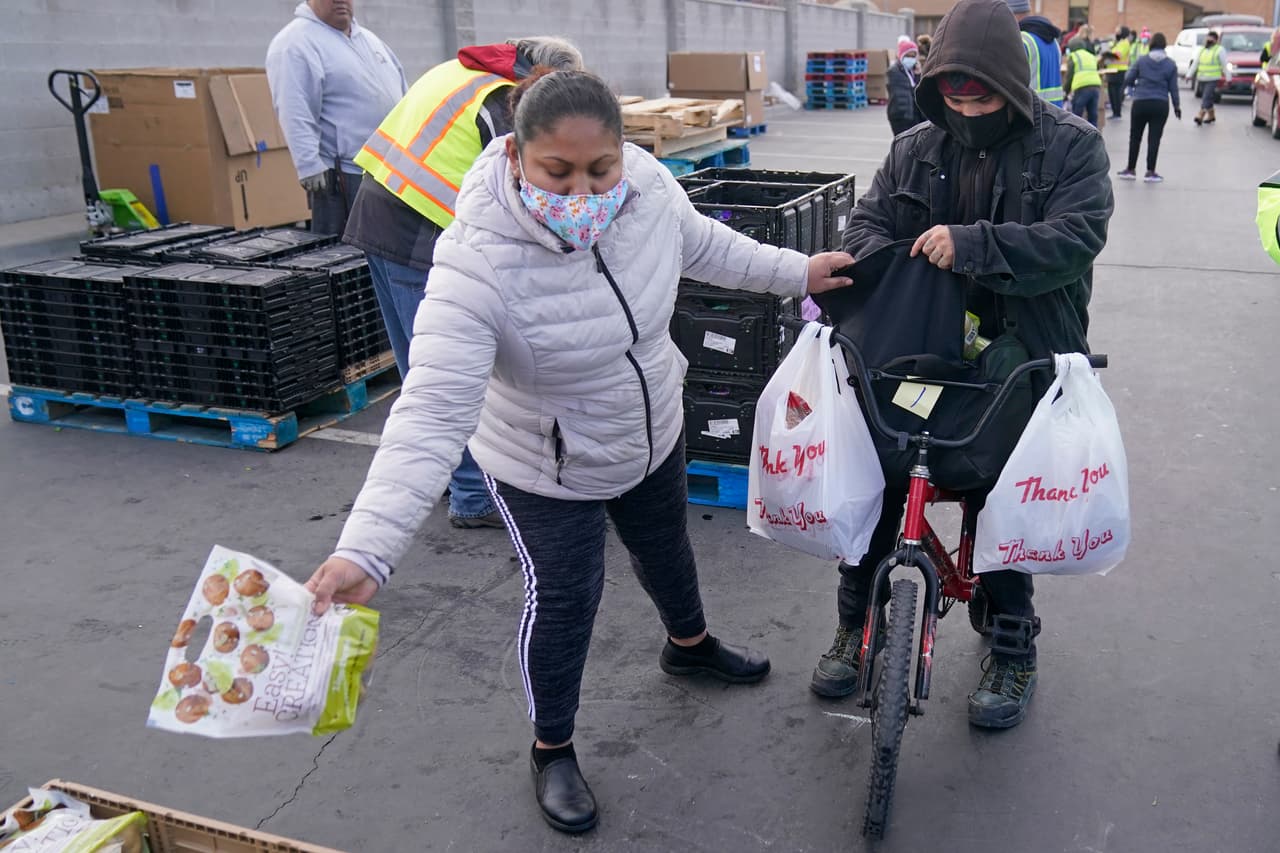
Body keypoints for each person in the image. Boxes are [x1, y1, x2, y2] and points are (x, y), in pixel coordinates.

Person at [303, 69, 856, 834]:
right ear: (516, 157)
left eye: (600, 169)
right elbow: (430, 412)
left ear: (624, 153)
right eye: (556, 172)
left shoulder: (651, 190)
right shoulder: (475, 262)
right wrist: (366, 549)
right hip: (542, 461)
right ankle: (551, 746)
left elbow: (707, 247)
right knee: (567, 597)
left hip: (651, 423)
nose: (581, 190)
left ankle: (688, 645)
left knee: (666, 545)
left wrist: (797, 270)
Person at [817, 0, 1113, 730]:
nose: (967, 105)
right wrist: (869, 264)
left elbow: (1076, 237)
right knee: (886, 471)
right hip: (924, 350)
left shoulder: (1072, 147)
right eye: (953, 92)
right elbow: (867, 222)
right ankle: (857, 622)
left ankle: (1012, 640)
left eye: (981, 93)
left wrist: (973, 244)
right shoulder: (914, 147)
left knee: (1002, 495)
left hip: (1022, 355)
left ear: (1011, 85)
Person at [344, 37, 584, 529]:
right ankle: (473, 495)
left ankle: (443, 477)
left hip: (378, 212)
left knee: (420, 365)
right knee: (453, 370)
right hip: (419, 231)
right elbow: (517, 191)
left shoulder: (461, 71)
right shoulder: (501, 101)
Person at [265, 0, 407, 236]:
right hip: (343, 177)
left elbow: (402, 92)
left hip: (386, 170)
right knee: (344, 257)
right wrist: (308, 165)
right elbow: (294, 108)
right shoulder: (296, 43)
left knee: (383, 253)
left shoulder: (370, 40)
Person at [1118, 32, 1180, 182]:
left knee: (1135, 137)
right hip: (1160, 104)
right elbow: (1173, 88)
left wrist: (1125, 90)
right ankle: (1150, 171)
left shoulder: (1141, 61)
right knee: (1154, 138)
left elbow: (1128, 78)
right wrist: (1177, 106)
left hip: (1141, 102)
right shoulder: (1170, 64)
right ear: (1164, 46)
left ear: (1151, 44)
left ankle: (1130, 169)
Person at [1006, 0, 1064, 107]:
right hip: (1057, 113)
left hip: (1033, 112)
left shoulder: (1021, 40)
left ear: (1009, 13)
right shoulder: (1053, 42)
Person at [887, 38, 926, 135]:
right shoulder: (894, 71)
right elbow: (908, 90)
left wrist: (918, 75)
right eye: (907, 56)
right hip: (902, 115)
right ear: (901, 55)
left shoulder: (911, 71)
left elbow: (917, 90)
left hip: (913, 114)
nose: (911, 59)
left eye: (913, 56)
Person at [1189, 30, 1226, 125]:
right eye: (1207, 38)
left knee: (1206, 97)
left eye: (1211, 38)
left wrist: (1228, 78)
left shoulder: (1219, 50)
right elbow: (1196, 63)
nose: (1208, 40)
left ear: (1216, 40)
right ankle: (1211, 115)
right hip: (1201, 78)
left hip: (1213, 78)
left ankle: (1200, 115)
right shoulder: (1202, 50)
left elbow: (1224, 65)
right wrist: (1189, 75)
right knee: (1207, 97)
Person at [1064, 36, 1103, 126]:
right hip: (1095, 86)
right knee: (1093, 115)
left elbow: (1070, 75)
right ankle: (1094, 137)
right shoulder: (1091, 55)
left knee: (1077, 116)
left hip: (1082, 87)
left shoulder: (1073, 56)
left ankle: (1077, 137)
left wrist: (1066, 91)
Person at [1106, 26, 1132, 118]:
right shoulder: (1115, 43)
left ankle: (1117, 112)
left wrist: (1108, 54)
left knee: (1116, 92)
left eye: (1118, 31)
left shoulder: (1125, 43)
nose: (1116, 33)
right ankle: (1114, 112)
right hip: (1111, 70)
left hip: (1119, 70)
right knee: (1111, 91)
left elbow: (1118, 55)